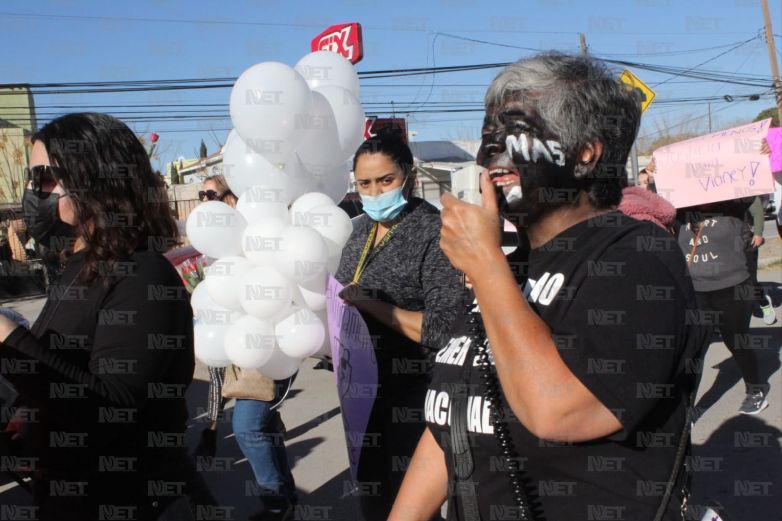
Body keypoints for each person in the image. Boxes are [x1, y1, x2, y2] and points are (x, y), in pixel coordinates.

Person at [389, 52, 706, 521]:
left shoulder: (637, 258)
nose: (487, 156)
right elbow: (454, 420)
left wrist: (486, 265)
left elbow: (559, 412)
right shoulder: (506, 266)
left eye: (511, 133)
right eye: (486, 138)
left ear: (585, 153)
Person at [0, 113, 211, 520]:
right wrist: (30, 412)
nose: (33, 192)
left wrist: (10, 338)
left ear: (97, 179)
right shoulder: (81, 266)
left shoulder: (142, 273)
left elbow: (112, 408)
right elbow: (67, 372)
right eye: (31, 180)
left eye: (44, 178)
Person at [335, 131, 462, 520]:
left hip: (415, 397)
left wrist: (372, 305)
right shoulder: (358, 233)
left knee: (410, 508)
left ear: (408, 176)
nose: (375, 192)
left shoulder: (435, 233)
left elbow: (443, 330)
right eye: (365, 184)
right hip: (361, 396)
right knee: (373, 499)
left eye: (385, 180)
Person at [677, 200, 771, 414]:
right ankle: (686, 407)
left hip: (733, 289)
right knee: (694, 351)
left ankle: (755, 389)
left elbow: (747, 240)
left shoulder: (734, 210)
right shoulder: (680, 214)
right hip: (697, 292)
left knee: (737, 341)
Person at [194, 174, 236, 460]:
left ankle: (270, 420)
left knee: (251, 378)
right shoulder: (208, 229)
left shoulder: (241, 229)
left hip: (242, 312)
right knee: (217, 373)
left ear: (227, 199)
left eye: (210, 195)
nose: (205, 201)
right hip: (215, 312)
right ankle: (209, 432)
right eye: (202, 196)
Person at [744, 196, 776, 325]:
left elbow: (757, 212)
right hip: (726, 243)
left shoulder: (744, 190)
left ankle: (764, 304)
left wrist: (758, 233)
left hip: (747, 240)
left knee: (751, 280)